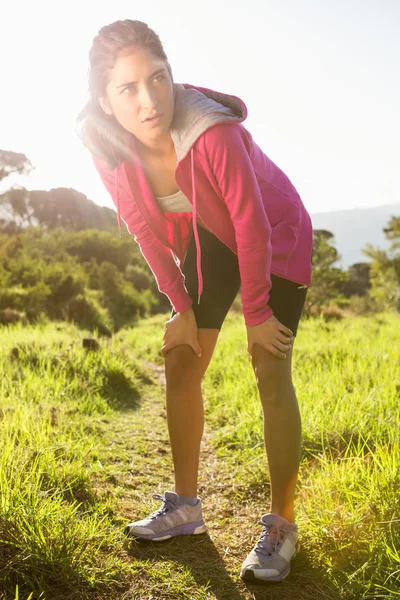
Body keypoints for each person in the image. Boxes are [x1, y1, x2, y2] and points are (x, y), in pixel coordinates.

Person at [78, 19, 313, 584]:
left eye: (157, 79)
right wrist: (181, 306)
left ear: (171, 75)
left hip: (274, 234)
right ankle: (186, 507)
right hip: (213, 235)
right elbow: (141, 225)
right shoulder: (106, 144)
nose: (149, 99)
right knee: (181, 357)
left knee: (269, 364)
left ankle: (283, 525)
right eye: (128, 88)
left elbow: (253, 224)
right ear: (105, 102)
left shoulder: (212, 131)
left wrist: (256, 315)